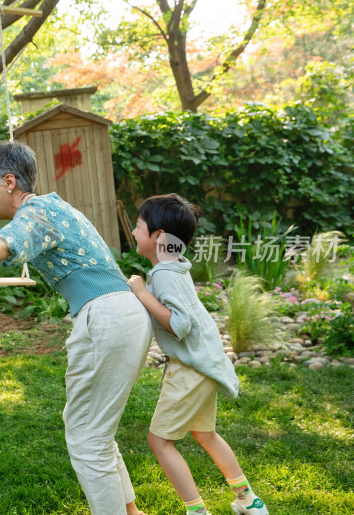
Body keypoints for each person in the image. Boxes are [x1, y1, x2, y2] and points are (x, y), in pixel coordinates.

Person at [0, 141, 152, 515]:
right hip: (116, 315)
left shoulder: (39, 209)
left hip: (108, 316)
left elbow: (10, 240)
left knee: (87, 437)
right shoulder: (52, 208)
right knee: (90, 427)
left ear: (8, 181)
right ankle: (130, 510)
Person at [126, 193, 268, 515]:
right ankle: (249, 501)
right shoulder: (175, 266)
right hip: (205, 365)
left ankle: (197, 511)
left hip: (191, 370)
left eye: (138, 226)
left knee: (159, 442)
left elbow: (180, 324)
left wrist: (141, 293)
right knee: (205, 434)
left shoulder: (162, 274)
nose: (134, 232)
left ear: (159, 236)